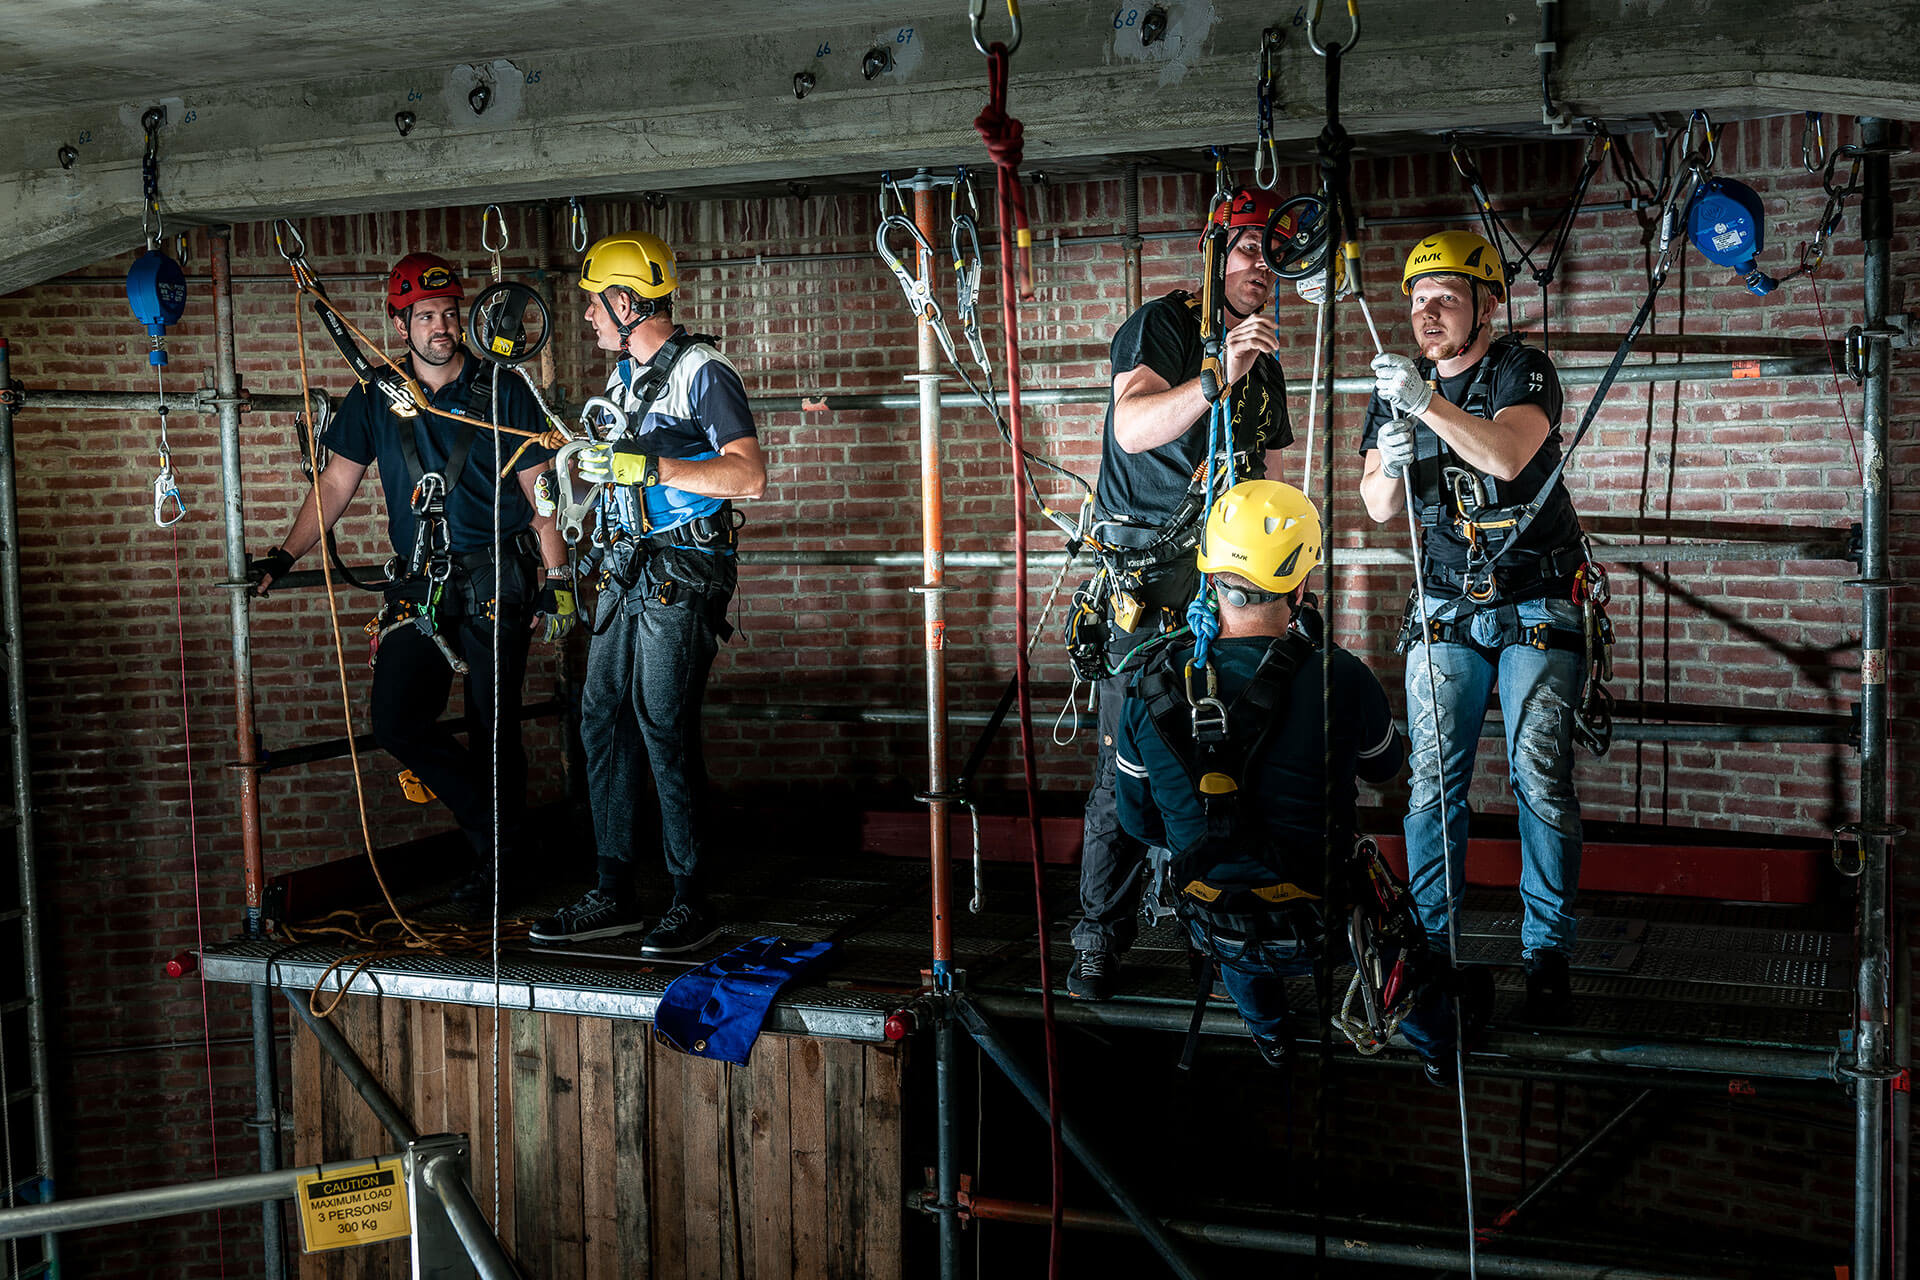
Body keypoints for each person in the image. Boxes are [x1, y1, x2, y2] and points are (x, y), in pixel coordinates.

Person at [250, 252, 573, 906]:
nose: (441, 327)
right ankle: (507, 839)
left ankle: (496, 872)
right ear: (400, 325)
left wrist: (557, 576)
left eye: (449, 313)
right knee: (397, 720)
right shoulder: (376, 395)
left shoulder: (503, 389)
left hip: (495, 579)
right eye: (425, 316)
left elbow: (540, 493)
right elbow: (335, 484)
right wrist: (284, 556)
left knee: (493, 730)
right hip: (421, 586)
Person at [1113, 480, 1456, 1077]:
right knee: (1401, 945)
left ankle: (1270, 1037)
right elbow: (1385, 769)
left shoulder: (1150, 687)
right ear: (1300, 585)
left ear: (1210, 576)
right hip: (1326, 920)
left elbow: (1137, 821)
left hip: (1211, 917)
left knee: (1233, 932)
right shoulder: (1339, 678)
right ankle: (1437, 1050)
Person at [1067, 186, 1296, 1000]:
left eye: (1272, 255)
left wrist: (1286, 577)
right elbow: (1130, 427)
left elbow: (1269, 479)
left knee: (1221, 760)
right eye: (1247, 249)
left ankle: (1210, 931)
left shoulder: (1266, 361)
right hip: (1147, 580)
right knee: (1123, 766)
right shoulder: (1165, 325)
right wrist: (1216, 373)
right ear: (1212, 253)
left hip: (1225, 583)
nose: (1261, 267)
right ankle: (1099, 939)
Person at [1358, 230, 1589, 1022]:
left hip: (1535, 596)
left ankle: (1547, 954)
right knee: (1431, 780)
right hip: (1447, 601)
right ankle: (1433, 946)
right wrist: (1392, 460)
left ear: (1486, 305)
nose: (1428, 314)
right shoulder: (1396, 388)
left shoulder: (1523, 371)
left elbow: (1509, 456)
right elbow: (1377, 505)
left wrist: (1427, 406)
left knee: (1539, 774)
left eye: (1446, 299)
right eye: (1419, 301)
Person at [529, 231, 767, 954]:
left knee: (661, 721)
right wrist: (568, 487)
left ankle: (692, 898)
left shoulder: (702, 372)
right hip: (625, 568)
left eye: (595, 304)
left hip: (682, 572)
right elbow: (617, 475)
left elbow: (749, 474)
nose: (589, 317)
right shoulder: (622, 383)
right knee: (601, 715)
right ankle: (613, 892)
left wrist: (653, 467)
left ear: (627, 303)